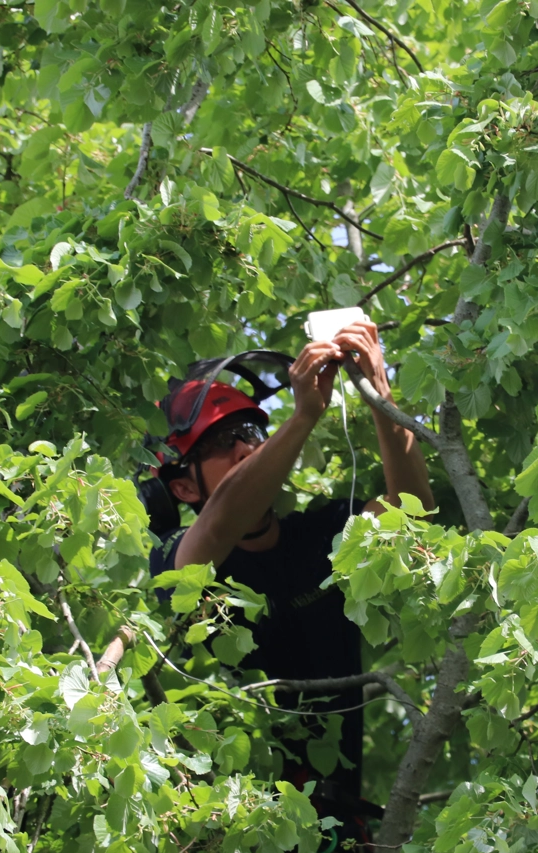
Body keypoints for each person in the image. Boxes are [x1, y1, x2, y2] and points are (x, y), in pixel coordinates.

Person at [149, 321, 433, 804]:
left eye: (250, 433)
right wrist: (302, 417)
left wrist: (380, 395)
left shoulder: (323, 533)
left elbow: (413, 512)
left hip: (337, 819)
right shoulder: (175, 555)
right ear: (184, 488)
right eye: (219, 445)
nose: (243, 447)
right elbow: (218, 525)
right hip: (232, 833)